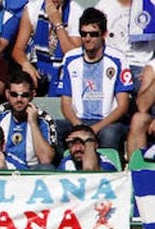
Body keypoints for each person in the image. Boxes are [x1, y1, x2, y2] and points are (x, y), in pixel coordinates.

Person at [56, 7, 132, 154]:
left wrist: (96, 128)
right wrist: (80, 127)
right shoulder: (70, 59)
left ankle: (108, 172)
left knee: (109, 134)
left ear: (103, 34)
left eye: (93, 34)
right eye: (83, 34)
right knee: (55, 128)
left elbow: (123, 106)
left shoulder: (118, 59)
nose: (87, 38)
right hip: (78, 120)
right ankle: (63, 168)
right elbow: (65, 103)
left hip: (107, 122)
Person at [0, 70, 58, 168]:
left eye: (24, 95)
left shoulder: (44, 119)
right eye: (14, 94)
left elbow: (46, 159)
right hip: (3, 167)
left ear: (32, 94)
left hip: (31, 171)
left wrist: (33, 123)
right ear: (7, 94)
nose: (19, 99)